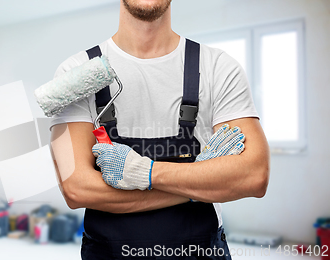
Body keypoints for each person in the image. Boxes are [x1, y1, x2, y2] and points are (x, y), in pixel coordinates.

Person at [49, 0, 270, 259]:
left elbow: (253, 177)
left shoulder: (218, 67)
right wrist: (198, 182)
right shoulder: (74, 73)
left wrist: (141, 172)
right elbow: (77, 188)